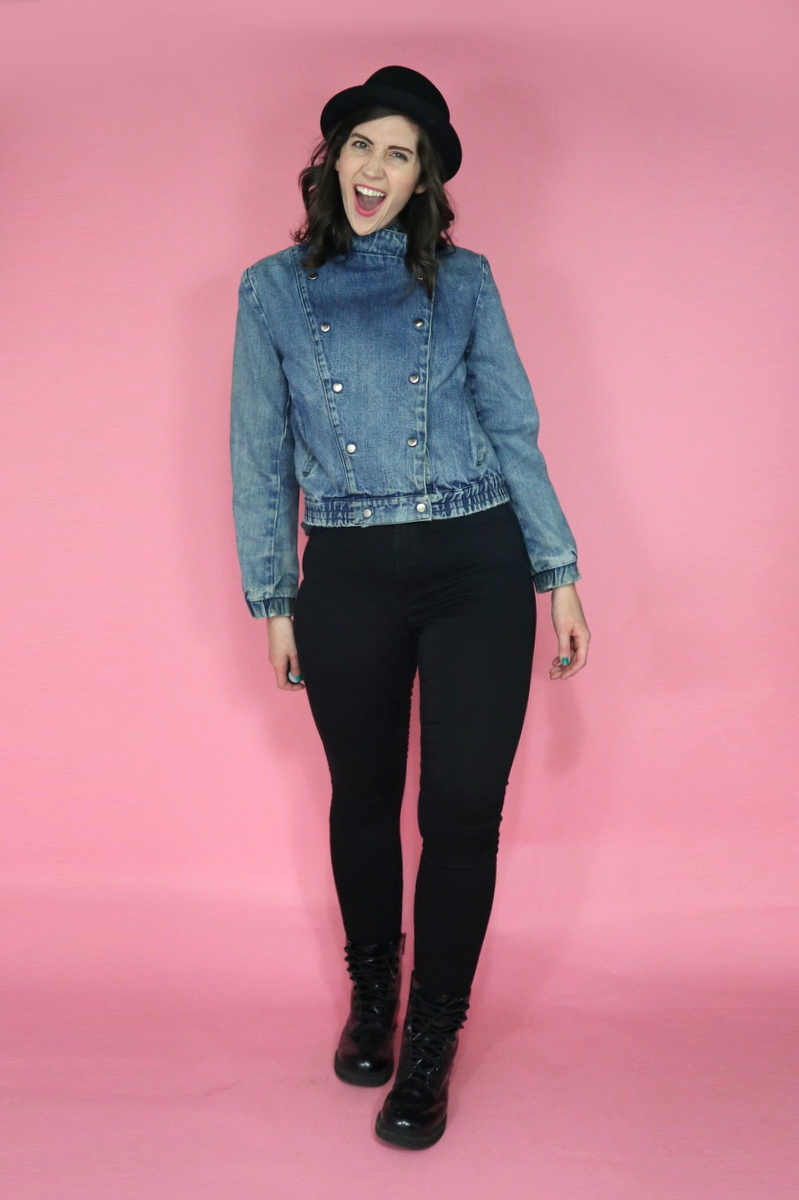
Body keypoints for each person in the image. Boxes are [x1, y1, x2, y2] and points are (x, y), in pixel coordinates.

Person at [229, 65, 590, 1150]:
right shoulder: (271, 290)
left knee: (462, 812)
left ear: (423, 177)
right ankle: (373, 993)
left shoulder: (467, 282)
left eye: (400, 153)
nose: (375, 169)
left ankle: (431, 1036)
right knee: (362, 796)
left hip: (476, 559)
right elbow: (257, 455)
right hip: (344, 570)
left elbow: (513, 426)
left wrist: (557, 571)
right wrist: (273, 595)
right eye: (361, 145)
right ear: (330, 159)